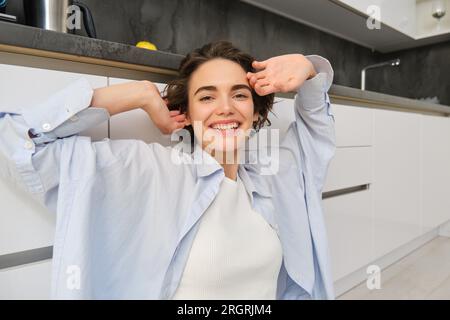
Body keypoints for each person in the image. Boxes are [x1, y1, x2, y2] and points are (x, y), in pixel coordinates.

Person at [0, 40, 336, 299]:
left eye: (239, 95)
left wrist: (308, 68)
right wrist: (138, 94)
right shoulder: (151, 171)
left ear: (257, 112)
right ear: (186, 115)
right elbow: (18, 141)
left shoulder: (275, 176)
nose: (225, 108)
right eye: (206, 98)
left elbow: (315, 136)